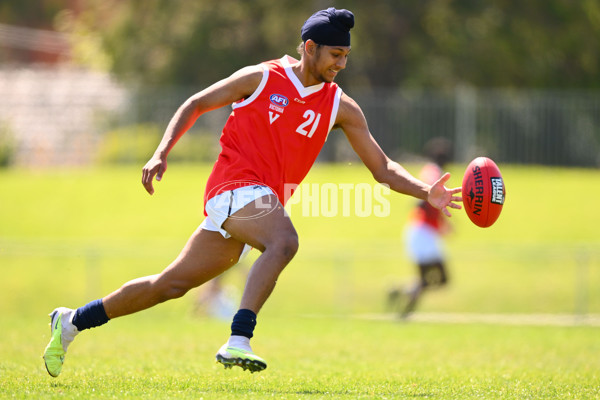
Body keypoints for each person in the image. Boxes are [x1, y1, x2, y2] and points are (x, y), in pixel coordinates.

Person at [43, 8, 462, 377]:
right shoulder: (262, 77)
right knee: (284, 241)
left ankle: (74, 320)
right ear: (309, 47)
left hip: (257, 204)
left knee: (169, 286)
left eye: (346, 56)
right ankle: (239, 338)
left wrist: (428, 192)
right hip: (233, 186)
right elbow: (195, 103)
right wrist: (160, 153)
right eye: (336, 55)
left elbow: (383, 168)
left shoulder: (341, 106)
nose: (341, 64)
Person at [387, 137, 454, 318]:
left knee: (432, 279)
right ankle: (404, 312)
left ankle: (401, 294)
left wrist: (443, 223)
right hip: (422, 231)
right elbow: (424, 201)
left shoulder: (430, 170)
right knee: (437, 279)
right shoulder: (434, 173)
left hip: (424, 231)